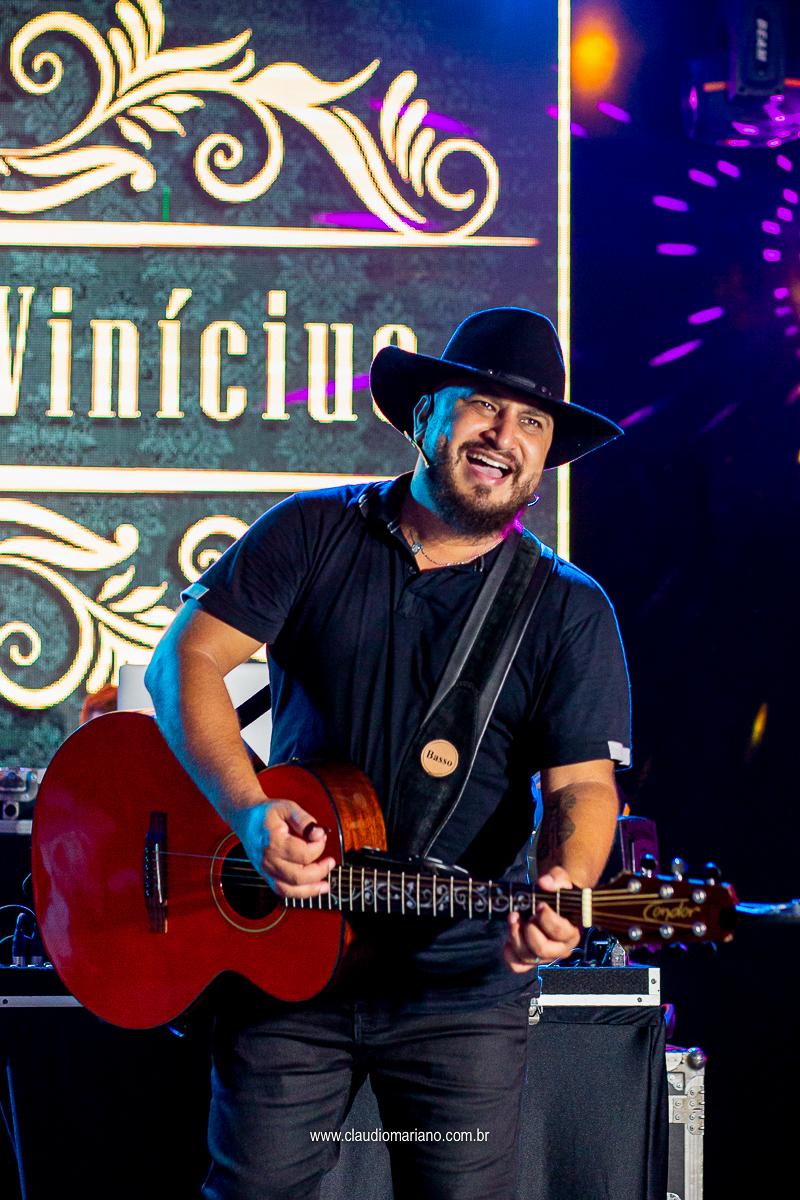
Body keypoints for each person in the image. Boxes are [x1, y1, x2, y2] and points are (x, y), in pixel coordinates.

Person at [145, 307, 630, 1200]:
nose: (504, 435)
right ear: (425, 414)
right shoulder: (311, 532)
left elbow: (581, 788)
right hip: (288, 961)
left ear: (544, 457)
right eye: (484, 405)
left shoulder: (570, 608)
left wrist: (569, 881)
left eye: (532, 421)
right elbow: (185, 663)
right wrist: (247, 812)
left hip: (460, 993)